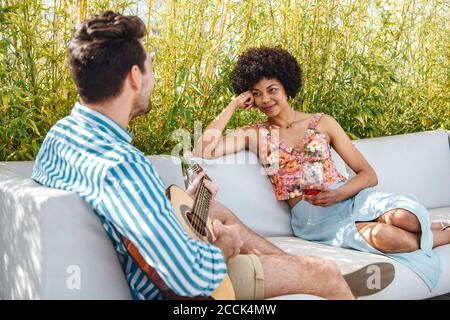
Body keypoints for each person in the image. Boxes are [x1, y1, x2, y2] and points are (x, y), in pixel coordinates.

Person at [30, 12, 379, 300]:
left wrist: (182, 211)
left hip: (151, 259)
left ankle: (295, 267)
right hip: (181, 294)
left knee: (213, 210)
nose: (153, 75)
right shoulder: (122, 164)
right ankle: (316, 276)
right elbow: (191, 278)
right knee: (326, 270)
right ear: (135, 77)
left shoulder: (62, 135)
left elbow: (129, 213)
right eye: (150, 65)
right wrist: (226, 246)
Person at [195, 46, 450, 292]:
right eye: (256, 93)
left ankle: (434, 227)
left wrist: (339, 194)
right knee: (393, 239)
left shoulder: (322, 122)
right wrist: (232, 105)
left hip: (349, 197)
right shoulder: (255, 134)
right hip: (313, 216)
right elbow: (203, 149)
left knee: (405, 218)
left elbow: (368, 175)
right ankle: (442, 233)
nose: (265, 99)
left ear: (287, 86)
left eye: (272, 89)